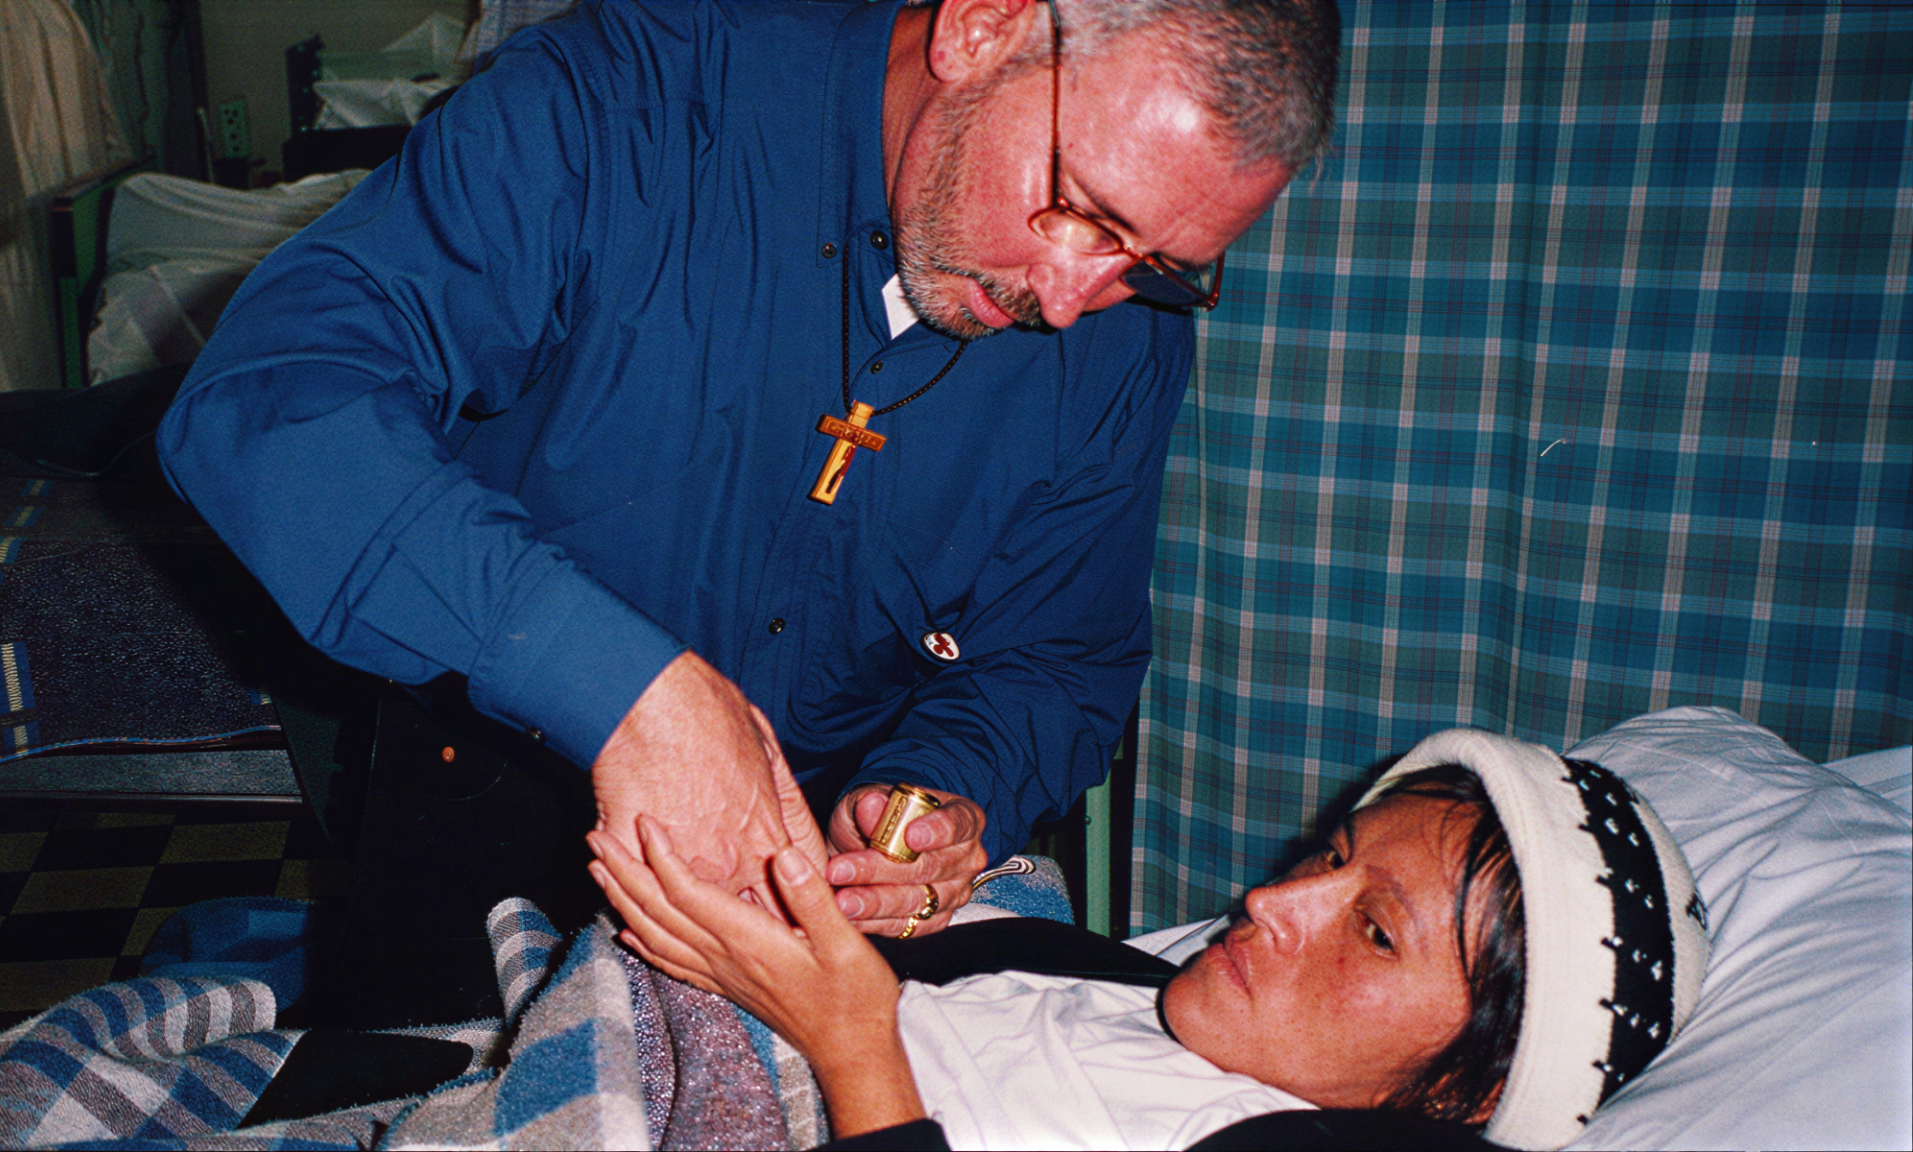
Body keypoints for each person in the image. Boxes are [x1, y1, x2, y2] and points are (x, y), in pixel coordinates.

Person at [156, 0, 1341, 934]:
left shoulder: (1126, 330)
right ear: (985, 24)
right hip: (496, 803)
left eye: (1159, 263)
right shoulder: (618, 105)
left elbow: (1061, 653)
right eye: (1083, 210)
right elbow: (273, 398)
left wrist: (941, 784)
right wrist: (619, 686)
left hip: (820, 862)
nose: (1080, 302)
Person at [590, 729, 1712, 1151]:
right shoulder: (1144, 997)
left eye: (1373, 934)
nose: (1275, 904)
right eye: (1332, 859)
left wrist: (849, 1039)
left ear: (1467, 1094)